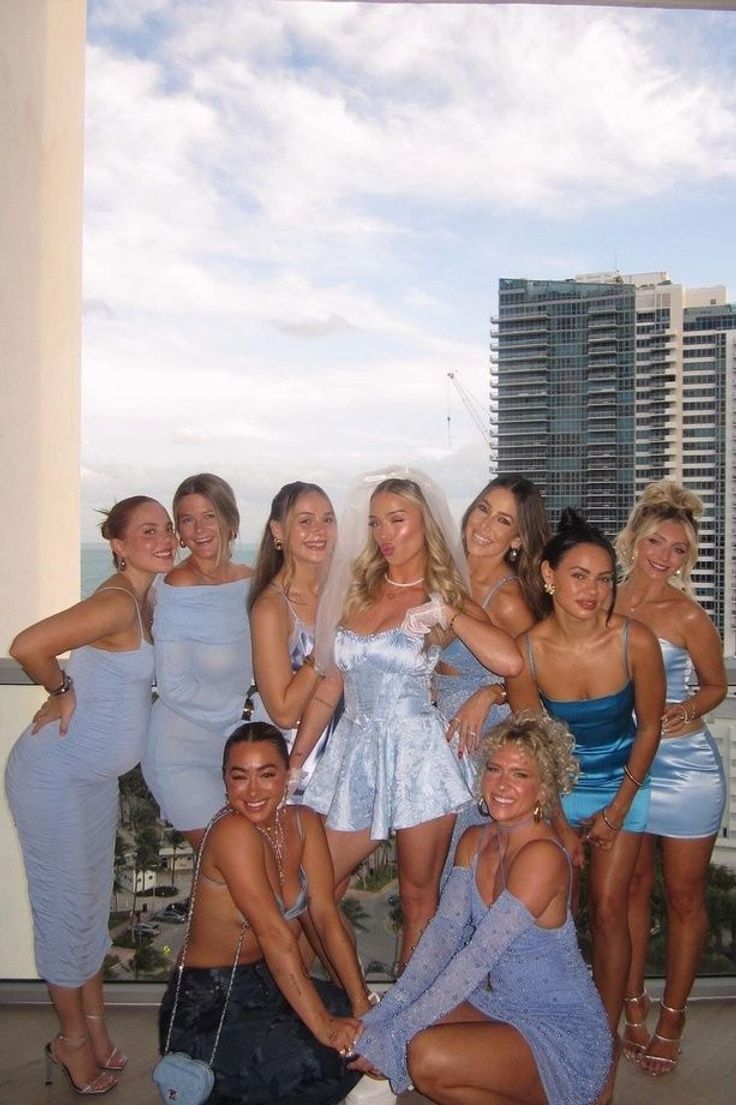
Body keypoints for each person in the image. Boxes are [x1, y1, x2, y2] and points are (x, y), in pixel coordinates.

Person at [294, 468, 523, 970]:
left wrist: (448, 614)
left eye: (397, 520)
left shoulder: (446, 593)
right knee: (312, 884)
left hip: (420, 759)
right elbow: (330, 687)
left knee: (420, 902)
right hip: (355, 756)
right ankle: (353, 995)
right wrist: (296, 762)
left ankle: (405, 1020)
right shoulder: (360, 588)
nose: (384, 534)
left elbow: (510, 662)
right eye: (376, 523)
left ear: (425, 525)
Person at [5, 496, 177, 1095]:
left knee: (87, 909)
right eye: (149, 531)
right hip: (55, 777)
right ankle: (71, 1041)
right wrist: (62, 686)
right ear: (118, 544)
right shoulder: (114, 603)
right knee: (62, 909)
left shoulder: (147, 599)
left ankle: (97, 1028)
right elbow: (27, 645)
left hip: (92, 780)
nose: (166, 538)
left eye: (169, 529)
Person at [353, 712, 612, 1105]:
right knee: (409, 1023)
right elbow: (441, 938)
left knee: (422, 1054)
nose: (502, 785)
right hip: (502, 1005)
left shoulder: (543, 856)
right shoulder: (474, 840)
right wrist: (380, 1021)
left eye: (520, 775)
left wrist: (392, 1035)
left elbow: (476, 958)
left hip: (560, 1027)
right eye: (494, 769)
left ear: (544, 790)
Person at [506, 508, 665, 1101]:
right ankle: (550, 1025)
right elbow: (534, 744)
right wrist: (556, 821)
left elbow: (648, 728)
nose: (593, 592)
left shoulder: (634, 640)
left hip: (626, 780)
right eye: (579, 576)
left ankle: (603, 1041)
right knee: (555, 912)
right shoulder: (528, 650)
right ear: (548, 576)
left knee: (607, 905)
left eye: (603, 579)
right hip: (557, 789)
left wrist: (619, 808)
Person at [158, 722, 370, 1105]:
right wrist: (324, 1029)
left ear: (287, 775)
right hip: (210, 1003)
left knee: (349, 1017)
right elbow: (276, 937)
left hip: (264, 985)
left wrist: (360, 1003)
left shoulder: (303, 823)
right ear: (225, 781)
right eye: (240, 777)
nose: (253, 791)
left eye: (267, 775)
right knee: (320, 1053)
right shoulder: (232, 833)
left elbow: (325, 916)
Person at [614, 482, 727, 1075]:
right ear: (632, 539)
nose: (663, 555)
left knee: (684, 899)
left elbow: (715, 685)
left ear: (689, 557)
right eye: (655, 540)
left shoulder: (688, 614)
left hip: (686, 773)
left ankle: (674, 1015)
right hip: (621, 763)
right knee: (628, 890)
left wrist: (686, 711)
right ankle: (632, 1000)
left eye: (678, 549)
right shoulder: (600, 600)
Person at [142, 473, 261, 849]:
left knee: (242, 877)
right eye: (187, 520)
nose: (199, 529)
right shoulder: (180, 586)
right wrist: (248, 710)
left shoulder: (253, 580)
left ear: (231, 521)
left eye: (209, 516)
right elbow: (173, 686)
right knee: (229, 866)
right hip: (184, 751)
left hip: (242, 751)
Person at [435, 474, 549, 755]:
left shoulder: (508, 600)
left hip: (481, 734)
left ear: (517, 540)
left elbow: (541, 687)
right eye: (483, 509)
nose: (485, 525)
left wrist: (492, 694)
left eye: (503, 520)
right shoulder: (441, 571)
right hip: (435, 728)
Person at [248, 481, 338, 794]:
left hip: (350, 748)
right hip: (301, 762)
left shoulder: (344, 591)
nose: (320, 530)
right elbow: (284, 712)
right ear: (278, 531)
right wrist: (321, 653)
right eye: (305, 521)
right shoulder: (271, 608)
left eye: (328, 519)